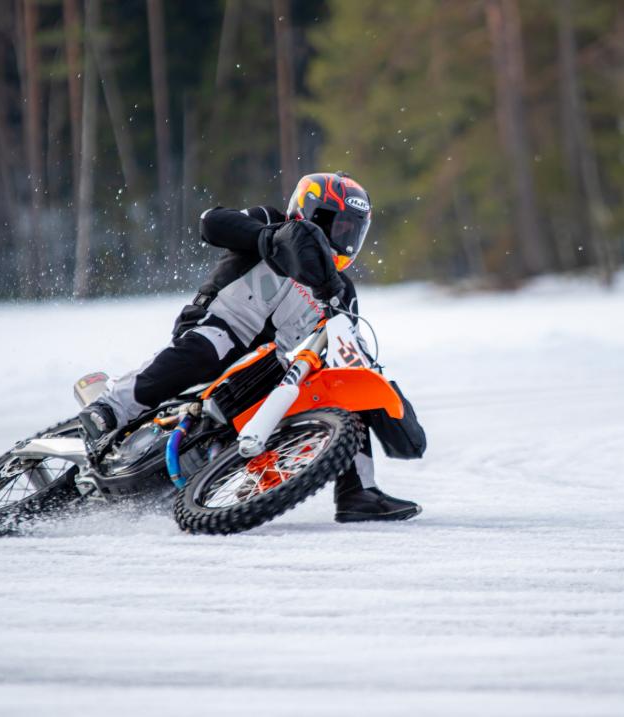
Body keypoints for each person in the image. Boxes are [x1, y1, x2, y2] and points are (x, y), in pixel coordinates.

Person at [79, 171, 421, 523]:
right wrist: (270, 239)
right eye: (333, 224)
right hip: (217, 324)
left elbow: (347, 343)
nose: (341, 237)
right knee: (211, 346)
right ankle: (110, 408)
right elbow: (211, 223)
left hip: (269, 363)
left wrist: (374, 384)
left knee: (342, 391)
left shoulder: (340, 289)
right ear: (309, 211)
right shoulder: (270, 220)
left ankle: (358, 492)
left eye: (351, 231)